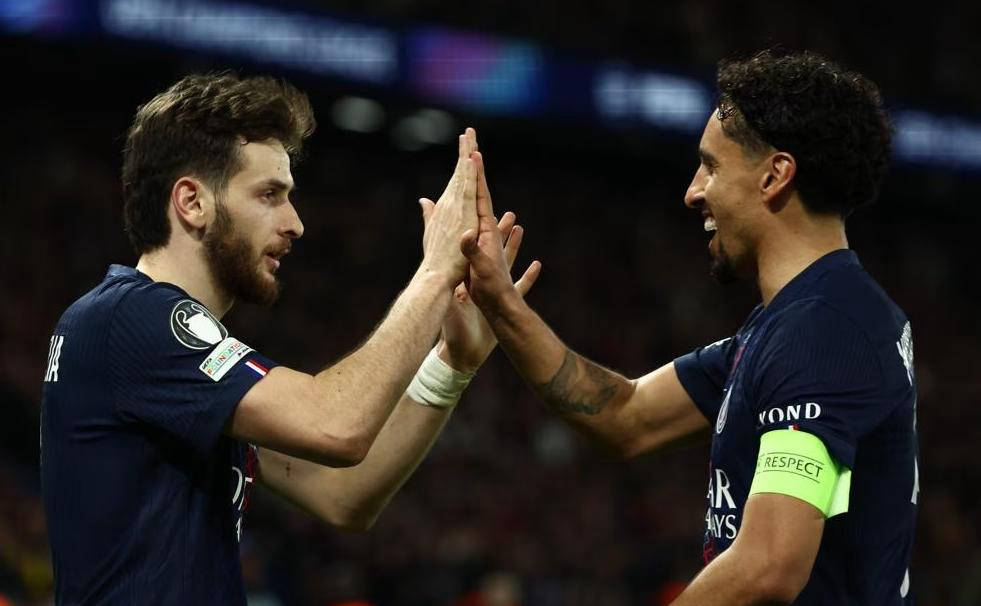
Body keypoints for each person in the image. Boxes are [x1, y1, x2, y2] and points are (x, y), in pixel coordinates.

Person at [39, 72, 539, 604]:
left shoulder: (160, 356)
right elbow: (335, 426)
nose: (295, 223)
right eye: (269, 195)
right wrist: (436, 272)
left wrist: (452, 364)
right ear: (192, 202)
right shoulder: (132, 317)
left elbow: (342, 495)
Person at [461, 50, 917, 605]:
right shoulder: (789, 324)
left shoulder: (825, 329)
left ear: (775, 175)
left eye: (711, 166)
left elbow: (769, 564)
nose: (693, 190)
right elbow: (625, 415)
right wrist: (500, 303)